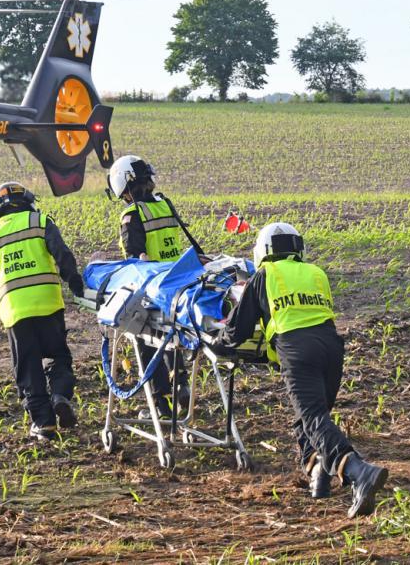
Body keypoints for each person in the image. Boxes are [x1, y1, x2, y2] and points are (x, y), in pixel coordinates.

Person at [223, 222, 388, 517]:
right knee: (311, 417)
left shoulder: (264, 275)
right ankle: (317, 476)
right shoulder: (316, 273)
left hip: (298, 351)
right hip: (331, 349)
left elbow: (237, 330)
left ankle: (359, 471)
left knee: (313, 420)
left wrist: (220, 339)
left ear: (263, 251)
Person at [0, 182, 85, 442]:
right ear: (27, 201)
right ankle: (60, 394)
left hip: (16, 312)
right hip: (48, 303)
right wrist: (74, 281)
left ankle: (44, 422)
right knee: (58, 356)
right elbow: (62, 253)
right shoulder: (40, 221)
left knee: (28, 368)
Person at [108, 155, 193, 417]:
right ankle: (181, 384)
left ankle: (160, 404)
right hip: (177, 287)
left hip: (152, 290)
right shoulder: (164, 206)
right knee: (172, 338)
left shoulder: (132, 215)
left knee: (146, 343)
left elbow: (136, 259)